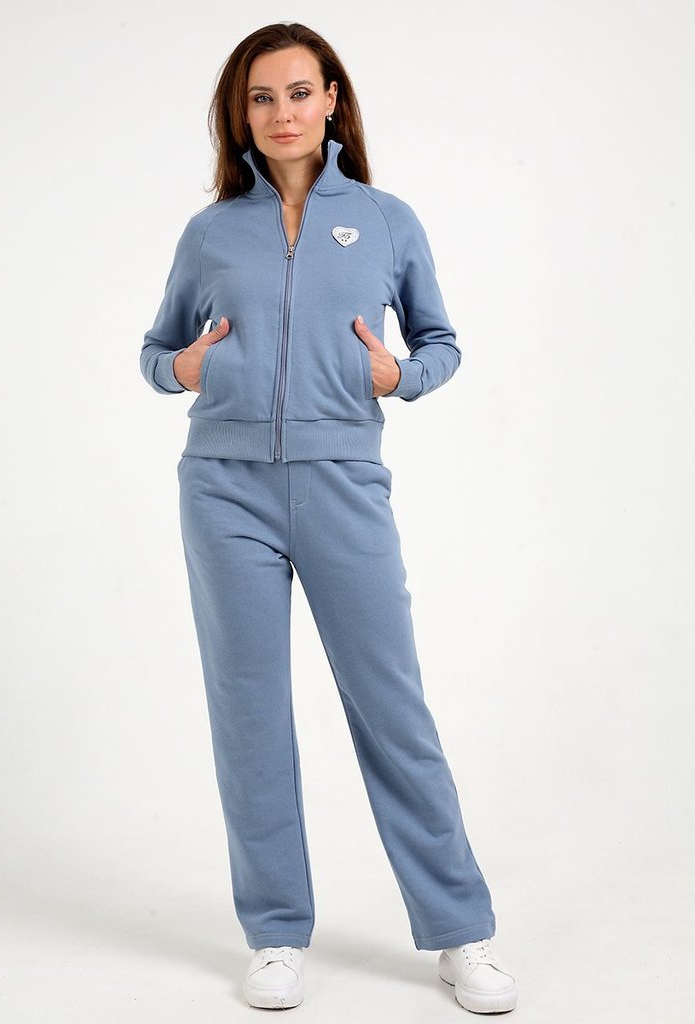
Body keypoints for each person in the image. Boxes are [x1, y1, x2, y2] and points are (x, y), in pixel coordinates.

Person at [139, 21, 519, 1015]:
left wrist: (400, 376)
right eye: (261, 98)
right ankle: (275, 933)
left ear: (332, 100)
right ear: (240, 114)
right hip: (223, 488)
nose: (282, 113)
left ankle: (460, 929)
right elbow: (156, 351)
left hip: (345, 480)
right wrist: (183, 367)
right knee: (250, 716)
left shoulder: (386, 220)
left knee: (392, 708)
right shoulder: (211, 231)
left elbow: (440, 341)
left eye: (299, 92)